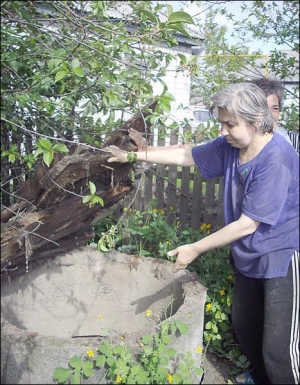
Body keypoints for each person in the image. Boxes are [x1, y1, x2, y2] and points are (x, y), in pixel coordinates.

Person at [106, 82, 299, 384]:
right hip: (249, 253)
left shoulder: (277, 157)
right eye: (221, 122)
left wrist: (195, 248)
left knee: (279, 350)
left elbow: (249, 223)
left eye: (229, 124)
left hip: (282, 256)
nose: (223, 131)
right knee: (246, 329)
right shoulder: (232, 146)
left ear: (257, 121)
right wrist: (133, 157)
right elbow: (189, 155)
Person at [128, 77, 293, 151]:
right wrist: (147, 150)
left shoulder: (285, 147)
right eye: (263, 107)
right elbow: (189, 151)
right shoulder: (235, 141)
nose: (268, 114)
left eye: (274, 108)